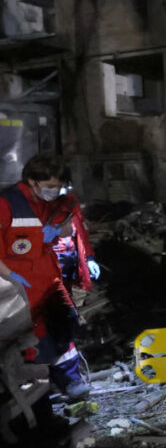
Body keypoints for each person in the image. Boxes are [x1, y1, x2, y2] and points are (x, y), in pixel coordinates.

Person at [0, 154, 90, 399]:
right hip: (15, 283)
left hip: (48, 276)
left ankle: (70, 380)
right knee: (35, 336)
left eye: (59, 186)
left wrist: (58, 229)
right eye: (50, 186)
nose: (55, 191)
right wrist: (11, 276)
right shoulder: (8, 203)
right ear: (33, 181)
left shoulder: (55, 201)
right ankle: (38, 387)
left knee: (64, 326)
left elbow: (69, 223)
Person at [53, 178, 100, 294]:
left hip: (72, 263)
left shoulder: (72, 204)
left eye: (64, 187)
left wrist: (89, 258)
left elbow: (82, 234)